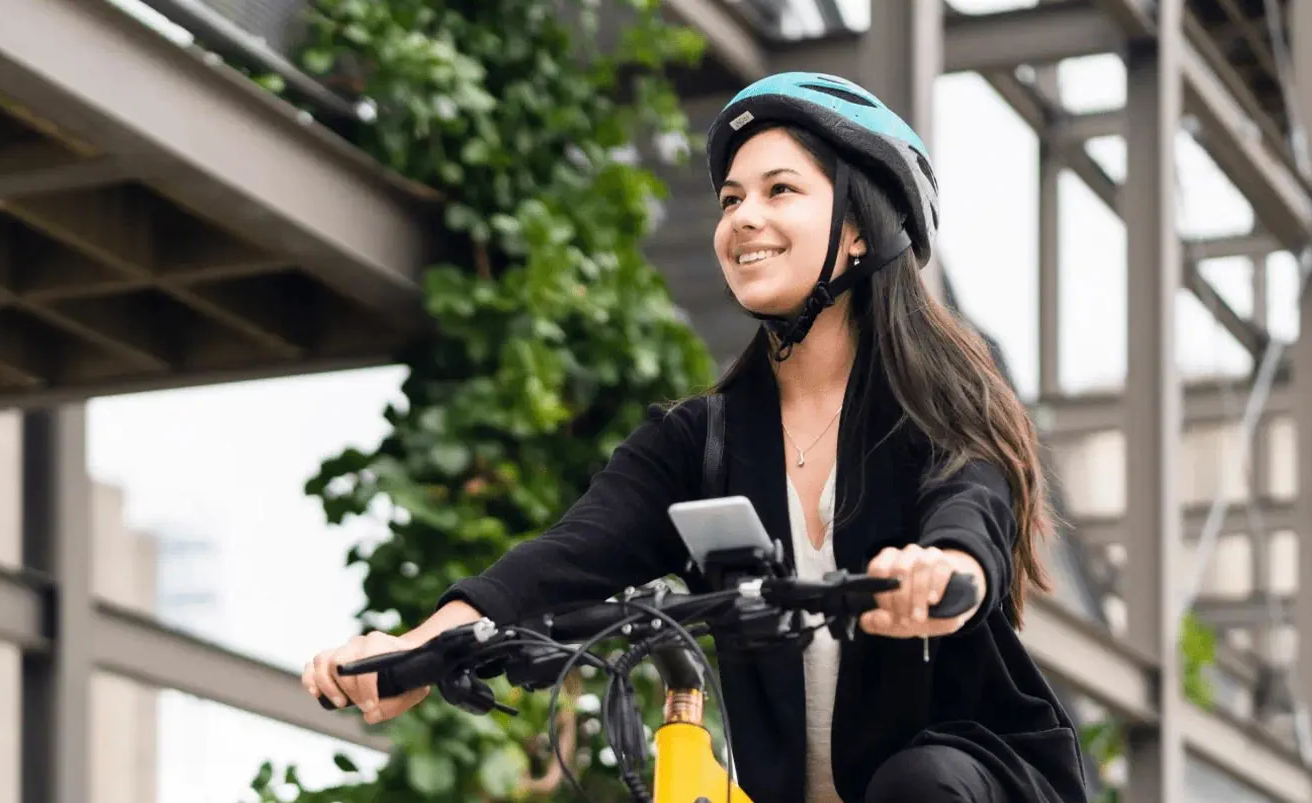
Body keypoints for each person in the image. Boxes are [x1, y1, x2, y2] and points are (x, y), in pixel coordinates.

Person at [304, 72, 1089, 803]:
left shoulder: (935, 411)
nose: (743, 217)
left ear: (858, 228)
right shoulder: (701, 442)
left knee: (918, 782)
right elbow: (564, 558)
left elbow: (971, 504)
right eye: (730, 198)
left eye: (780, 190)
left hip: (975, 781)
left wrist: (945, 570)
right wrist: (417, 648)